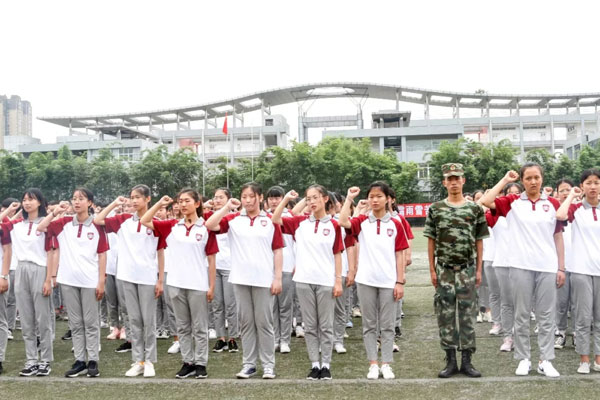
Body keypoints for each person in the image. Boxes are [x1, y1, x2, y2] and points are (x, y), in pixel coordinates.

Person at [480, 163, 565, 378]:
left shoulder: (553, 203)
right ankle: (524, 358)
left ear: (542, 179)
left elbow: (557, 236)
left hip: (546, 266)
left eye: (536, 177)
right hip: (519, 266)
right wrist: (506, 180)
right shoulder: (512, 202)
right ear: (523, 181)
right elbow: (485, 201)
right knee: (522, 313)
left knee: (546, 315)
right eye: (528, 178)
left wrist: (561, 267)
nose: (533, 181)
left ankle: (545, 359)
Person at [205, 182, 283, 380]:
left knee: (264, 323)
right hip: (240, 278)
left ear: (260, 197)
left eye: (251, 196)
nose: (248, 200)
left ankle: (268, 365)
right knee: (246, 323)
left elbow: (277, 250)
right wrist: (226, 207)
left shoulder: (271, 220)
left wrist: (277, 278)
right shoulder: (233, 220)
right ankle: (249, 364)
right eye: (244, 196)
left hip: (264, 279)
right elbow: (210, 225)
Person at [142, 190, 217, 379]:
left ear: (197, 203)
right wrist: (160, 204)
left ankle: (201, 363)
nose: (182, 205)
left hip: (198, 284)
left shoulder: (206, 227)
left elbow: (211, 259)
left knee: (200, 327)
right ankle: (188, 362)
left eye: (187, 201)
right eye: (180, 201)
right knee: (182, 326)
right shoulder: (172, 226)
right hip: (175, 283)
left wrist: (212, 285)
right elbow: (145, 220)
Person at [271, 186, 344, 380]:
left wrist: (338, 281)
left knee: (326, 326)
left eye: (315, 198)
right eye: (308, 198)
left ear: (325, 199)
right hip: (303, 281)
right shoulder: (300, 222)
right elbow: (275, 220)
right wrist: (286, 199)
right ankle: (314, 364)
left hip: (326, 281)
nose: (311, 202)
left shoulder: (334, 225)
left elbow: (337, 254)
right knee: (310, 326)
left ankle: (326, 364)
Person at [94, 185, 166, 378]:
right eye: (132, 197)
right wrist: (115, 203)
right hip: (127, 276)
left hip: (147, 277)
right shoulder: (123, 220)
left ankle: (150, 360)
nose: (134, 201)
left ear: (148, 199)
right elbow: (98, 220)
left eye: (138, 197)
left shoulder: (155, 223)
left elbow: (160, 252)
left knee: (147, 320)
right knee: (133, 320)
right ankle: (138, 361)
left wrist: (160, 279)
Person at [424, 163, 488, 379]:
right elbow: (431, 240)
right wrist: (432, 270)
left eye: (456, 178)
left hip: (467, 269)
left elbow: (479, 241)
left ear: (463, 181)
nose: (453, 182)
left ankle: (467, 361)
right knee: (445, 315)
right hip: (444, 270)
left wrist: (479, 269)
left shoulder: (474, 209)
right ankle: (450, 360)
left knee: (468, 316)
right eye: (449, 179)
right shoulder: (436, 209)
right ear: (444, 182)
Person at [339, 181, 408, 380]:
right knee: (369, 325)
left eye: (379, 196)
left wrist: (400, 281)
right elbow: (343, 222)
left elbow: (400, 253)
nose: (375, 200)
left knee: (387, 325)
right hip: (365, 281)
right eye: (371, 196)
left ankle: (386, 363)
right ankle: (372, 364)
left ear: (388, 199)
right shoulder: (361, 221)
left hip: (388, 281)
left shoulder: (396, 223)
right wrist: (350, 198)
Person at [39, 188, 108, 378]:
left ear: (90, 203)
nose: (77, 202)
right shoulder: (63, 224)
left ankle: (93, 360)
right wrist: (55, 212)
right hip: (68, 280)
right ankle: (80, 360)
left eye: (81, 199)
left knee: (91, 322)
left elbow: (102, 255)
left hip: (90, 280)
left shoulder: (96, 225)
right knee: (76, 323)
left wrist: (101, 281)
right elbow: (42, 227)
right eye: (74, 199)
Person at [1, 190, 54, 376]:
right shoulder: (16, 224)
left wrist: (49, 279)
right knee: (26, 319)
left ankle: (46, 360)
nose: (27, 203)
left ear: (40, 202)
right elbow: (1, 222)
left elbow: (50, 252)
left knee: (42, 318)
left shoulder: (47, 224)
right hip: (21, 269)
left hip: (40, 269)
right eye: (24, 200)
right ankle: (31, 359)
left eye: (31, 199)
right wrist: (10, 210)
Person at [556, 169, 600, 374]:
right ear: (582, 186)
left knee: (599, 318)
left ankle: (598, 359)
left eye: (596, 183)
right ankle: (584, 359)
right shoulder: (576, 209)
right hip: (581, 270)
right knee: (582, 317)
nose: (593, 186)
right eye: (588, 183)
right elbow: (560, 215)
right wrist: (572, 195)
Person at [489, 182, 523, 352]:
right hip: (502, 263)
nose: (514, 197)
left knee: (522, 304)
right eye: (510, 194)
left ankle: (521, 337)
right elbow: (485, 203)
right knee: (507, 302)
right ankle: (508, 337)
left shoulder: (525, 213)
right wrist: (502, 181)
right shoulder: (496, 215)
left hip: (523, 264)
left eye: (517, 193)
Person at [265, 186, 296, 355]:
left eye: (277, 198)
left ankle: (285, 340)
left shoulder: (289, 217)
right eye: (271, 198)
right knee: (271, 308)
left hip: (286, 266)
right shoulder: (263, 218)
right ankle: (275, 339)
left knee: (285, 306)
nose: (274, 201)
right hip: (267, 268)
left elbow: (297, 242)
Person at [210, 188, 239, 353]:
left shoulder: (234, 218)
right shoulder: (211, 217)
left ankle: (233, 337)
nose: (217, 200)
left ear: (229, 199)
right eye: (215, 198)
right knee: (217, 304)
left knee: (231, 304)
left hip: (230, 266)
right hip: (214, 266)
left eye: (221, 197)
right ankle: (221, 338)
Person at [553, 179, 575, 349]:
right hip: (560, 264)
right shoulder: (553, 210)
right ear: (557, 192)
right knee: (561, 303)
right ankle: (560, 332)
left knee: (577, 304)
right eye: (562, 190)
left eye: (568, 189)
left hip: (579, 265)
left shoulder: (579, 210)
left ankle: (576, 333)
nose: (565, 193)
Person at [0, 205, 14, 375]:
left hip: (0, 275)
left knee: (0, 320)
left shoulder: (3, 224)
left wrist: (4, 276)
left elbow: (7, 250)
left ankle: (0, 357)